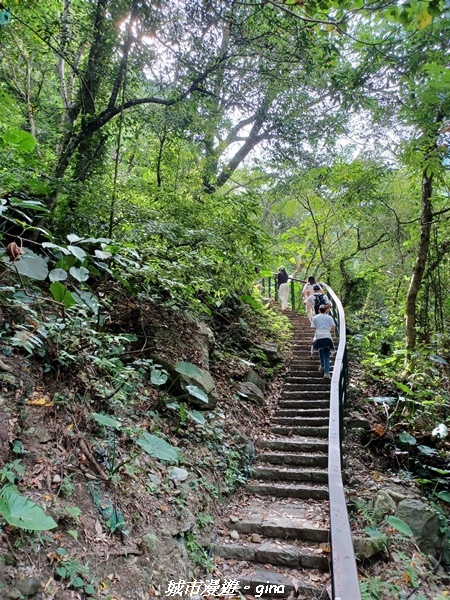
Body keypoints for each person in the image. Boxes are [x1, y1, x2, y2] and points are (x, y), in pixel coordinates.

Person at [311, 304, 336, 379]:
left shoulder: (315, 317)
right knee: (327, 355)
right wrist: (328, 330)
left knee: (320, 350)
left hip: (319, 336)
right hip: (327, 336)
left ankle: (322, 365)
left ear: (318, 310)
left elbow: (314, 329)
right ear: (326, 310)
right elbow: (333, 328)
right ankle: (326, 373)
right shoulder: (329, 317)